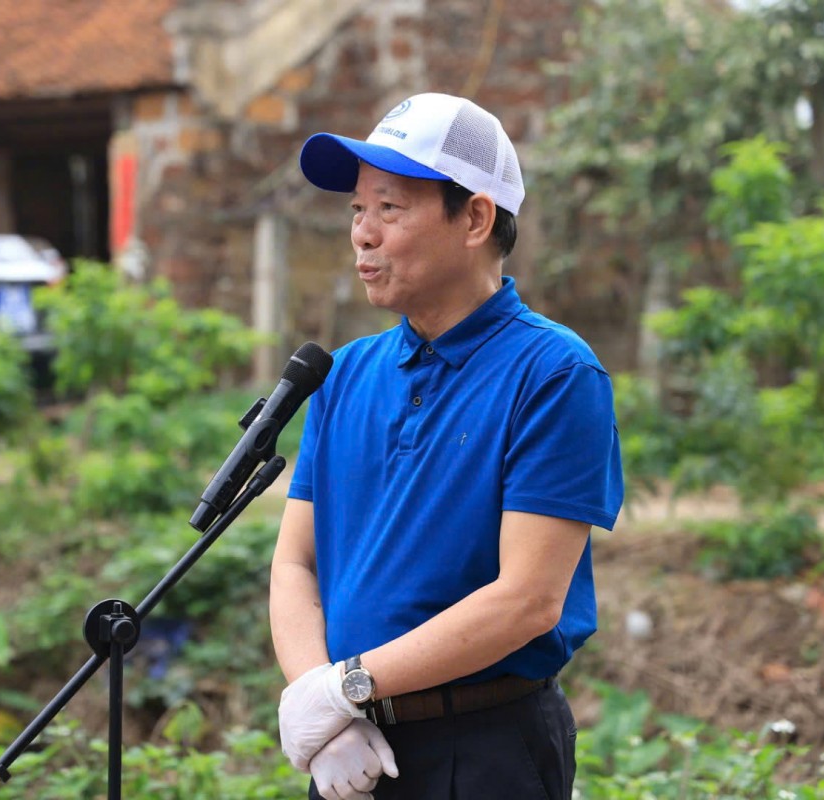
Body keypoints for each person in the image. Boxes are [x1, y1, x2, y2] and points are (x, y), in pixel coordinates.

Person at [269, 92, 624, 800]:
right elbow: (295, 560)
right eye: (356, 211)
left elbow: (527, 600)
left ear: (475, 217)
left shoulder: (552, 373)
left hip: (485, 748)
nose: (363, 235)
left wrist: (344, 686)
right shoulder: (345, 376)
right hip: (349, 750)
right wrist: (325, 710)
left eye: (390, 209)